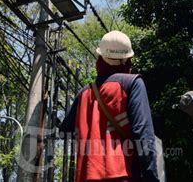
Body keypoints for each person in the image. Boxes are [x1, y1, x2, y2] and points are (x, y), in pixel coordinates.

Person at [59, 31, 159, 182]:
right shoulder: (132, 83)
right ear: (126, 60)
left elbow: (64, 130)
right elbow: (143, 133)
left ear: (101, 57)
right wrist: (151, 177)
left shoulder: (84, 93)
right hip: (123, 175)